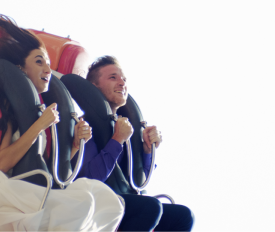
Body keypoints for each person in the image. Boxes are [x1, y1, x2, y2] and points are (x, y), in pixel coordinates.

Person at [0, 11, 124, 231]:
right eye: (39, 62)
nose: (47, 70)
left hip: (42, 187)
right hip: (15, 191)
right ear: (21, 68)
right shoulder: (14, 107)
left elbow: (52, 167)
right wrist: (39, 125)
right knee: (84, 204)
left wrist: (75, 144)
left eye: (48, 63)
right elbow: (4, 162)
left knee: (108, 202)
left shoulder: (45, 109)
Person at [72, 55, 194, 231]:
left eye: (124, 79)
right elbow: (91, 179)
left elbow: (138, 181)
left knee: (182, 215)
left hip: (127, 201)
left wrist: (147, 150)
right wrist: (117, 140)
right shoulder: (84, 126)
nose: (122, 83)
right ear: (94, 87)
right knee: (150, 207)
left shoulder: (127, 127)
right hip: (94, 203)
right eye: (113, 77)